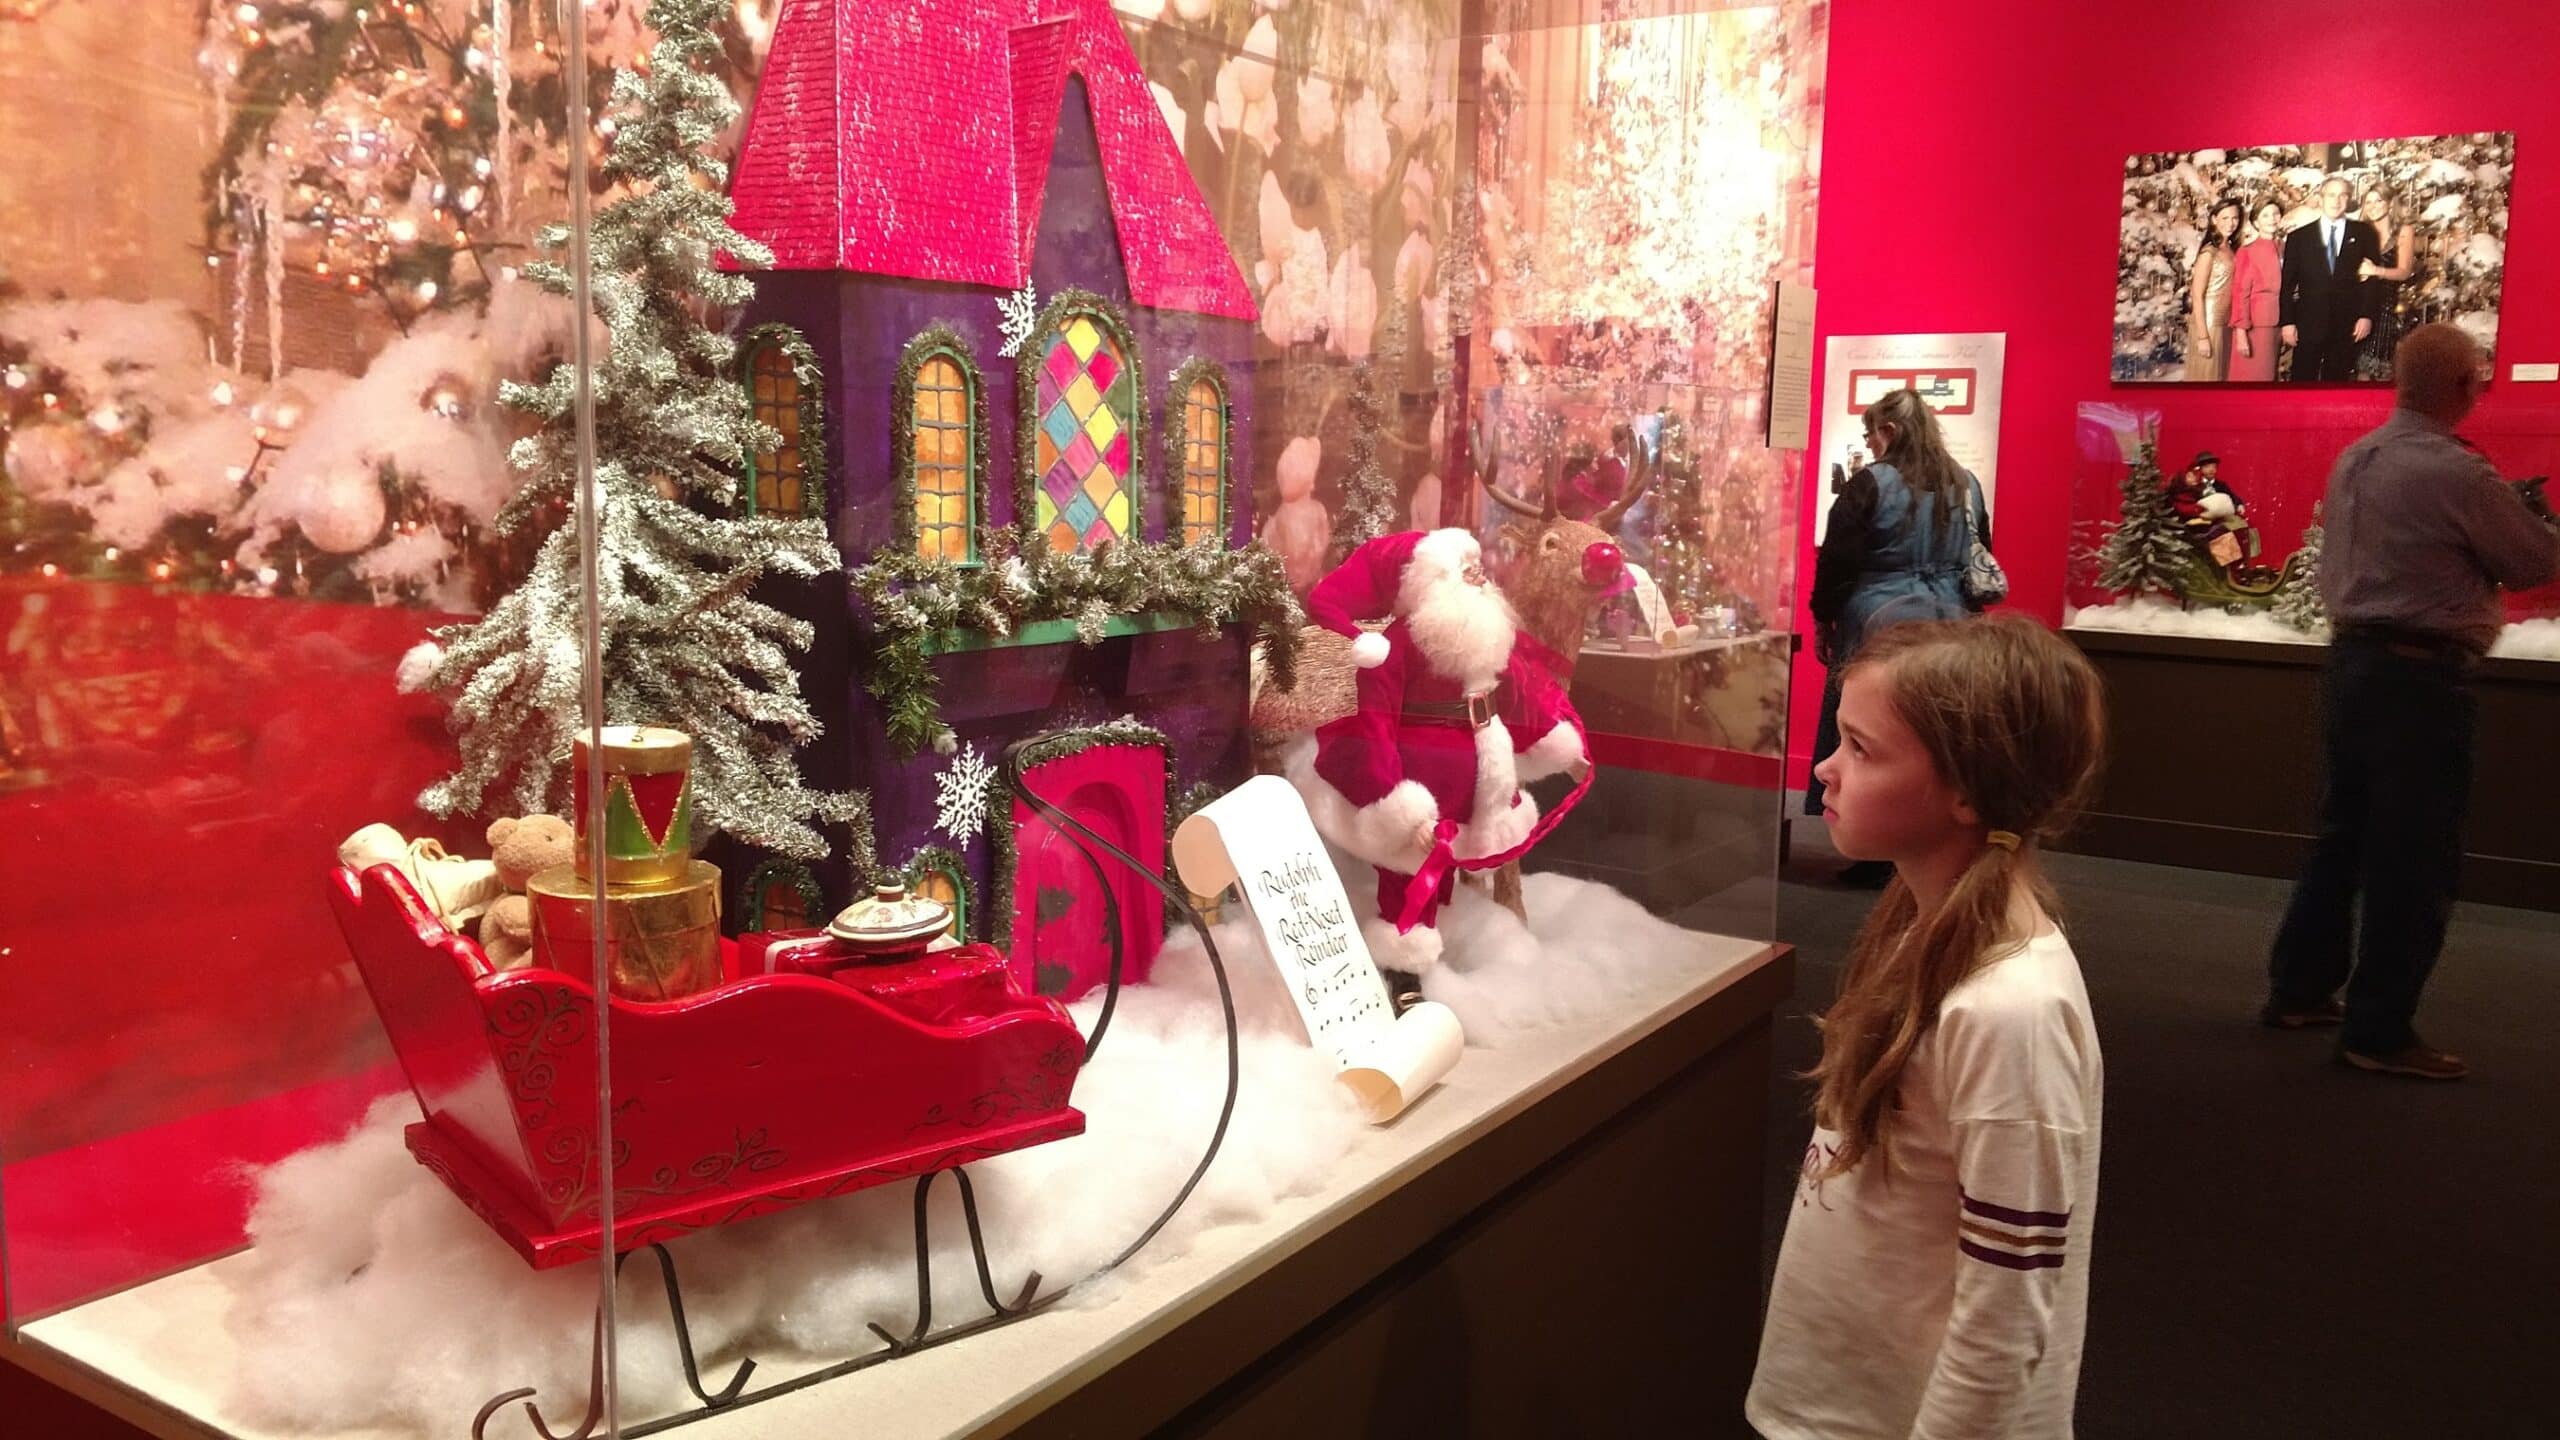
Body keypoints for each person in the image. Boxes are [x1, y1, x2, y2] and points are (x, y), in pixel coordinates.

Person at [1749, 616, 2108, 1440]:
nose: (1824, 771)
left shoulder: (2009, 1012)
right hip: (1845, 1404)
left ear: (1966, 790)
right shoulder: (1924, 928)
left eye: (1862, 750)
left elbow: (2006, 1317)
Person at [2263, 323, 2560, 1079]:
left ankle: (2299, 987)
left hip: (2354, 667)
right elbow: (2531, 562)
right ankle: (2379, 1029)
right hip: (2421, 680)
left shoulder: (2357, 456)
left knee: (2343, 835)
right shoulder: (2458, 471)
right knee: (2414, 855)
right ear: (2464, 386)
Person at [1807, 388, 1995, 886]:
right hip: (1949, 622)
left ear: (1888, 431)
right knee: (1935, 734)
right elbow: (1981, 550)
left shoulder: (1869, 484)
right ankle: (1930, 842)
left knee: (1868, 737)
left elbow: (1838, 562)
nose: (1868, 445)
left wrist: (1823, 618)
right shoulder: (1967, 483)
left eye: (1869, 434)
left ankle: (1871, 848)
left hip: (1875, 621)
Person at [2279, 176, 2381, 382]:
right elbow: (2288, 285)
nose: (2336, 201)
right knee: (2302, 382)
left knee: (2337, 384)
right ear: (2321, 198)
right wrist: (2287, 322)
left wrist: (2366, 315)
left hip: (2346, 326)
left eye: (2343, 195)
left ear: (2349, 199)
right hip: (2308, 325)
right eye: (2331, 195)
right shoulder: (2299, 237)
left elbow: (2371, 280)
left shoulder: (2364, 233)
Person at [2354, 183, 2418, 380]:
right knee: (2359, 370)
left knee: (2379, 367)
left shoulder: (2404, 231)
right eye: (2369, 201)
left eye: (2378, 201)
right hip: (2359, 305)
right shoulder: (2360, 231)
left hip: (2385, 306)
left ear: (2390, 204)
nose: (2372, 206)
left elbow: (2404, 271)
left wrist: (2376, 271)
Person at [2226, 196, 2286, 382]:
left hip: (2280, 322)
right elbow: (2240, 293)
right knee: (2255, 377)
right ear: (2255, 222)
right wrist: (2241, 332)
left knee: (2271, 377)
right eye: (2265, 215)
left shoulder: (2285, 247)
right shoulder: (2247, 251)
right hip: (2256, 325)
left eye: (2276, 214)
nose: (2272, 219)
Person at [2184, 197, 2241, 381]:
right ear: (2214, 219)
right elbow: (2197, 295)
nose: (2230, 223)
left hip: (2225, 323)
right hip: (2208, 324)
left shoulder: (2231, 249)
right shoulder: (2209, 252)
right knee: (2206, 378)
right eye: (2225, 218)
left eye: (2234, 218)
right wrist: (2202, 336)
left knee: (2221, 377)